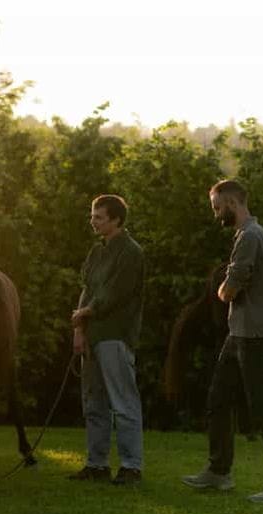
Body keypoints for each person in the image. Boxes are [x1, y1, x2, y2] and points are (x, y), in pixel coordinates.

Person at [182, 180, 263, 503]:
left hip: (253, 333)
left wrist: (221, 290)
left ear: (232, 204)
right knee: (218, 398)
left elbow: (230, 288)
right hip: (240, 331)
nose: (217, 214)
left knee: (262, 408)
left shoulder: (249, 237)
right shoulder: (248, 234)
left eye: (218, 208)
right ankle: (219, 472)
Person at [69, 194, 145, 485]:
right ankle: (96, 464)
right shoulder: (97, 252)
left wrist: (85, 313)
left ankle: (131, 466)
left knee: (123, 402)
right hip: (92, 335)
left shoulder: (131, 252)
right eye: (92, 216)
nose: (93, 221)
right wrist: (79, 330)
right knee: (94, 402)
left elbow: (115, 294)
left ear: (116, 220)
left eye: (99, 217)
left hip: (115, 334)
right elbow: (87, 289)